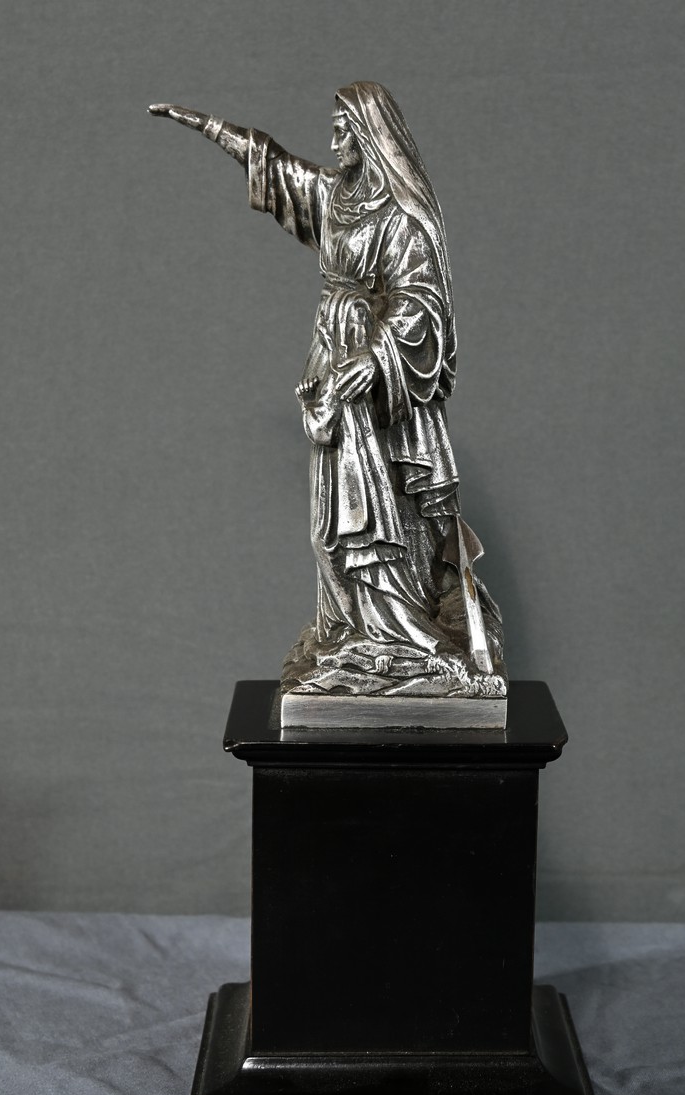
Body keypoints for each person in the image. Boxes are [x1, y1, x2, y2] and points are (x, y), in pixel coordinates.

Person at [149, 82, 506, 699]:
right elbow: (279, 169)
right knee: (328, 521)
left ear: (369, 135)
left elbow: (421, 302)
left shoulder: (402, 220)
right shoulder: (338, 197)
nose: (334, 139)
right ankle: (349, 632)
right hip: (330, 356)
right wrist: (211, 127)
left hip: (369, 375)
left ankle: (399, 637)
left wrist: (377, 358)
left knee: (368, 514)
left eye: (344, 129)